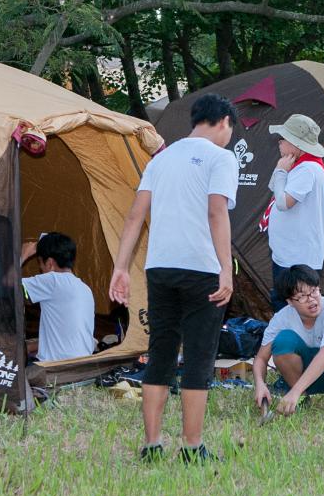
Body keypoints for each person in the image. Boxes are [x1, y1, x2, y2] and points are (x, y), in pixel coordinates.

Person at [110, 93, 239, 464]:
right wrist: (225, 270)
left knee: (161, 353)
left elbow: (135, 216)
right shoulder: (221, 158)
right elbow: (217, 214)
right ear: (224, 122)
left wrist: (121, 267)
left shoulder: (161, 158)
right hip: (202, 269)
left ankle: (151, 445)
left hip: (160, 267)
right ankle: (191, 446)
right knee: (199, 355)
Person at [252, 265, 324, 414]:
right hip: (300, 374)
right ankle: (302, 397)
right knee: (283, 341)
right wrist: (260, 384)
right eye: (302, 297)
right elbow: (261, 359)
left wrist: (293, 392)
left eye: (314, 291)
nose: (312, 300)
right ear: (290, 301)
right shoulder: (282, 318)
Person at [262, 113, 324, 311]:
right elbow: (274, 187)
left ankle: (294, 340)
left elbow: (283, 202)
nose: (279, 144)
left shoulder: (307, 169)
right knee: (285, 301)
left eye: (282, 140)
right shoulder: (300, 166)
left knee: (294, 305)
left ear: (295, 144)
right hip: (289, 252)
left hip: (298, 255)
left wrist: (282, 171)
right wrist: (281, 169)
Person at [19, 232, 96, 363]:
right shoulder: (85, 288)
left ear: (50, 263)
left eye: (40, 263)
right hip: (81, 366)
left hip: (55, 368)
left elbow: (8, 286)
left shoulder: (53, 280)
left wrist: (23, 255)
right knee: (30, 347)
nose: (40, 268)